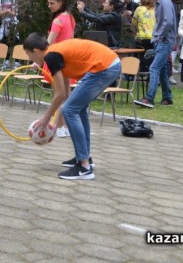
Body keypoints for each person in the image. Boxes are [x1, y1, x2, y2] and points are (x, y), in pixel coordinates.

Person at [23, 33, 121, 180]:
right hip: (109, 64)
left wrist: (46, 119)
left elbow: (60, 95)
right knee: (77, 108)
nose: (30, 59)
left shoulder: (51, 56)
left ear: (36, 51)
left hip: (104, 67)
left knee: (70, 109)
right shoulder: (56, 53)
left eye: (29, 54)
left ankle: (84, 168)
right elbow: (66, 93)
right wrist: (55, 124)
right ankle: (84, 157)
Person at [135, 0, 177, 108]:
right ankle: (167, 98)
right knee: (163, 71)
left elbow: (168, 22)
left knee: (153, 68)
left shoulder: (165, 2)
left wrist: (159, 35)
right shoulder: (159, 3)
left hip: (164, 41)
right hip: (160, 41)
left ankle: (149, 98)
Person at [46, 0, 76, 138]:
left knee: (59, 94)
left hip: (57, 60)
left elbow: (48, 43)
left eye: (52, 3)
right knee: (66, 94)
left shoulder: (58, 20)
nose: (49, 6)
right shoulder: (69, 17)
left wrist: (38, 60)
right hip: (67, 59)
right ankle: (64, 126)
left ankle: (61, 126)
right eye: (48, 3)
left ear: (61, 2)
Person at [132, 0, 156, 71]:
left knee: (141, 55)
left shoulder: (139, 9)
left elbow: (134, 23)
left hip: (141, 37)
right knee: (152, 55)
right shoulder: (155, 9)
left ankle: (141, 70)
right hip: (153, 37)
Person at [0, 0, 19, 69]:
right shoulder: (1, 0)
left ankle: (17, 61)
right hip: (4, 23)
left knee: (15, 41)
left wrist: (6, 12)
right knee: (5, 41)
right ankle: (6, 61)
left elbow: (14, 12)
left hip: (13, 22)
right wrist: (7, 11)